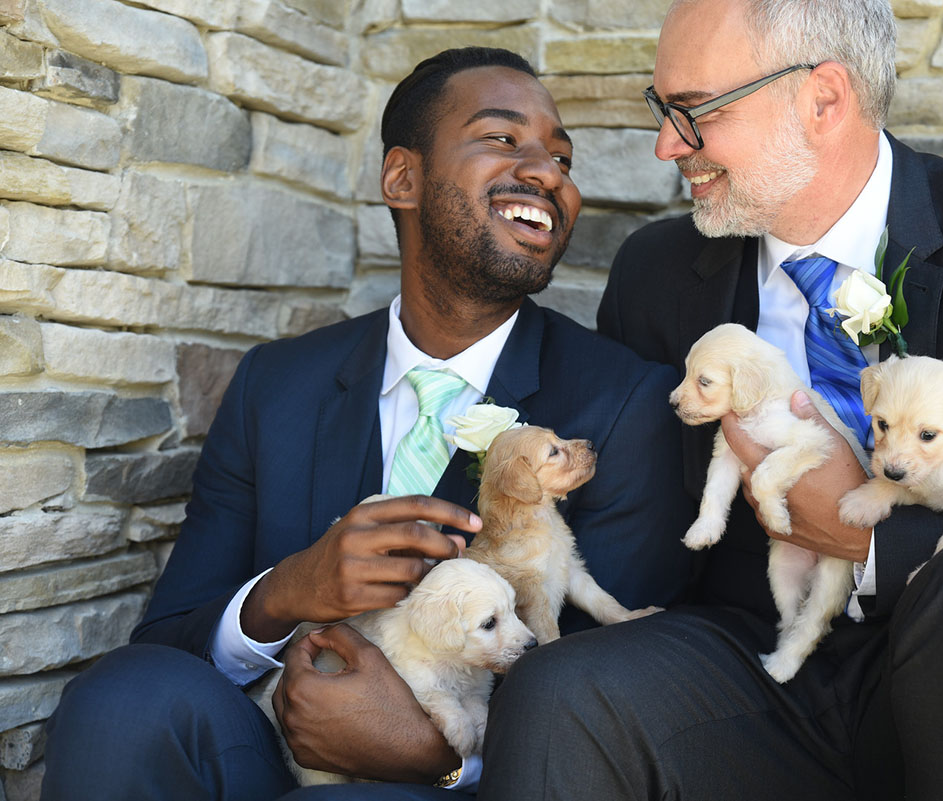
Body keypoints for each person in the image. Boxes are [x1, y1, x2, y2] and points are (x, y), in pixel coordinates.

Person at [476, 2, 943, 800]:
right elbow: (638, 535)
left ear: (823, 99)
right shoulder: (655, 272)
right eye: (662, 109)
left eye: (696, 111)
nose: (666, 145)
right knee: (560, 693)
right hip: (768, 674)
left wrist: (874, 545)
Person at [41, 47, 694, 801]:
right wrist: (287, 590)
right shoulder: (273, 386)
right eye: (504, 138)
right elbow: (173, 637)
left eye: (562, 157)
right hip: (264, 751)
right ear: (402, 178)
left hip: (479, 780)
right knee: (122, 696)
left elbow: (606, 697)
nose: (549, 172)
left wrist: (431, 750)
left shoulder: (624, 406)